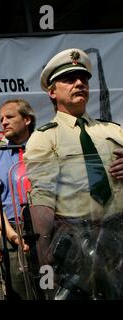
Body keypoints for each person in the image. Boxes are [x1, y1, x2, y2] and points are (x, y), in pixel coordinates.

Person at [25, 48, 123, 299]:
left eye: (84, 78)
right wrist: (44, 252)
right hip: (78, 245)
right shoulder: (44, 137)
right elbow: (42, 199)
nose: (80, 83)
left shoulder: (113, 130)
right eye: (69, 79)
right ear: (52, 91)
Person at [0, 99, 35, 300]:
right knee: (19, 294)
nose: (3, 122)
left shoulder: (45, 148)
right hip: (12, 234)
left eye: (9, 117)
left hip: (46, 231)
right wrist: (12, 236)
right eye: (1, 119)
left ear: (27, 119)